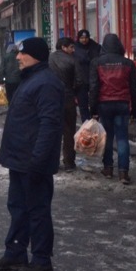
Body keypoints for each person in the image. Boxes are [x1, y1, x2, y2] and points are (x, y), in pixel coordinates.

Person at [0, 37, 64, 271]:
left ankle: (41, 259)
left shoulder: (47, 83)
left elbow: (49, 125)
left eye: (23, 54)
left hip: (33, 162)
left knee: (37, 210)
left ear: (36, 56)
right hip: (20, 159)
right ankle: (15, 252)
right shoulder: (31, 79)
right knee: (18, 207)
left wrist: (38, 161)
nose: (18, 57)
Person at [89, 33, 136, 185]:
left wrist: (93, 109)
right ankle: (123, 172)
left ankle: (108, 168)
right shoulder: (128, 63)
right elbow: (134, 89)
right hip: (123, 103)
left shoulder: (96, 62)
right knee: (123, 138)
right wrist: (135, 110)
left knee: (108, 137)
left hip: (104, 104)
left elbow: (94, 87)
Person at [49, 38, 83, 172]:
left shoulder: (49, 59)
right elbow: (79, 81)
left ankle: (52, 162)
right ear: (64, 47)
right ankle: (69, 162)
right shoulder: (73, 60)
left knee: (52, 130)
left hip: (51, 99)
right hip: (68, 98)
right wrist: (73, 90)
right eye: (71, 47)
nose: (73, 50)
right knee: (69, 131)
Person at [74, 29, 102, 122]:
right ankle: (86, 125)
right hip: (81, 80)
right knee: (83, 104)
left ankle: (95, 122)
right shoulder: (75, 48)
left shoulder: (96, 47)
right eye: (82, 38)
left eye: (86, 38)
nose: (84, 40)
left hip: (94, 78)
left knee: (95, 102)